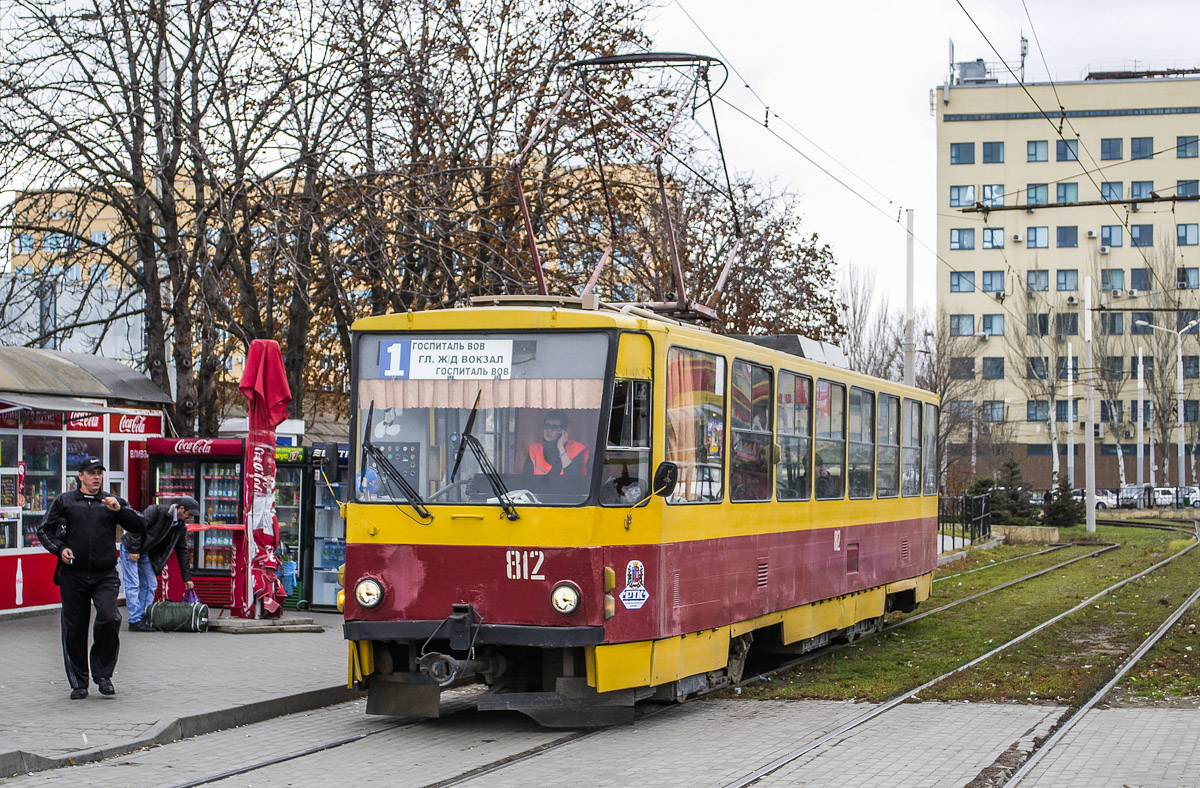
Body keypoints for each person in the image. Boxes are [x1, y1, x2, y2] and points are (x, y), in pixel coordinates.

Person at [37, 456, 145, 699]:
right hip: (73, 575)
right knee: (74, 628)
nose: (97, 477)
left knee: (109, 617)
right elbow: (44, 530)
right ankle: (79, 682)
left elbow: (140, 525)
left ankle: (103, 674)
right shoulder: (65, 501)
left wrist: (121, 511)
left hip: (104, 574)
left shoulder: (110, 502)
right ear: (80, 476)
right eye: (92, 473)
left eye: (100, 473)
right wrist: (59, 548)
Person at [122, 496, 198, 631]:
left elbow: (182, 551)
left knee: (151, 584)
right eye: (189, 513)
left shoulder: (180, 526)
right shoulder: (156, 511)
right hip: (131, 548)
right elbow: (137, 526)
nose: (190, 517)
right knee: (133, 584)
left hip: (145, 552)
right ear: (181, 509)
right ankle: (135, 620)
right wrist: (134, 549)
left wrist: (187, 578)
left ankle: (144, 616)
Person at [527, 409, 589, 477]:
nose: (549, 430)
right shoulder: (535, 449)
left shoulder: (576, 449)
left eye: (554, 427)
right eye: (547, 426)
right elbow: (526, 478)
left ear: (563, 431)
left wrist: (560, 447)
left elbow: (573, 479)